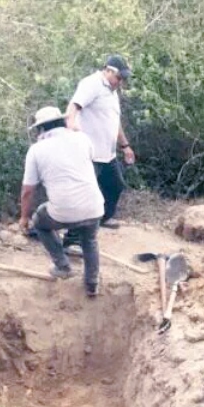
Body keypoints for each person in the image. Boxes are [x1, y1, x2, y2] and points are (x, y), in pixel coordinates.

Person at [19, 105, 103, 298]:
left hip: (63, 211)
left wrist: (24, 217)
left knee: (40, 222)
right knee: (89, 239)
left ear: (41, 129)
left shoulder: (36, 150)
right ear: (63, 121)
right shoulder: (82, 138)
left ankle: (62, 266)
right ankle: (92, 284)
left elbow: (28, 190)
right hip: (94, 206)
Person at [66, 55, 135, 229]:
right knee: (85, 196)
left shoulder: (112, 92)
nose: (120, 82)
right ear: (108, 70)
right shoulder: (92, 84)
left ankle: (104, 217)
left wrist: (125, 146)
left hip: (107, 154)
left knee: (116, 185)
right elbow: (74, 106)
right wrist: (71, 124)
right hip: (89, 153)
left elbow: (114, 121)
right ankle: (72, 238)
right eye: (118, 78)